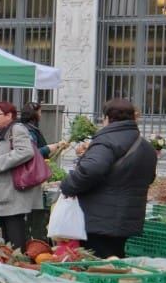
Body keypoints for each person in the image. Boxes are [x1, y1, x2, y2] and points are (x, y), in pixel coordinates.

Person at [60, 98, 158, 258]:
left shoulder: (106, 141)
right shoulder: (146, 147)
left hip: (100, 218)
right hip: (128, 217)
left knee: (96, 265)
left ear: (107, 118)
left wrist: (67, 185)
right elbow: (150, 178)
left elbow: (91, 170)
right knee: (114, 263)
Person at [0, 101, 43, 249]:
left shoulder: (17, 129)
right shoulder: (4, 131)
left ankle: (18, 262)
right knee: (7, 228)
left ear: (9, 115)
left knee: (14, 229)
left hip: (13, 191)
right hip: (6, 190)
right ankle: (10, 260)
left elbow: (25, 151)